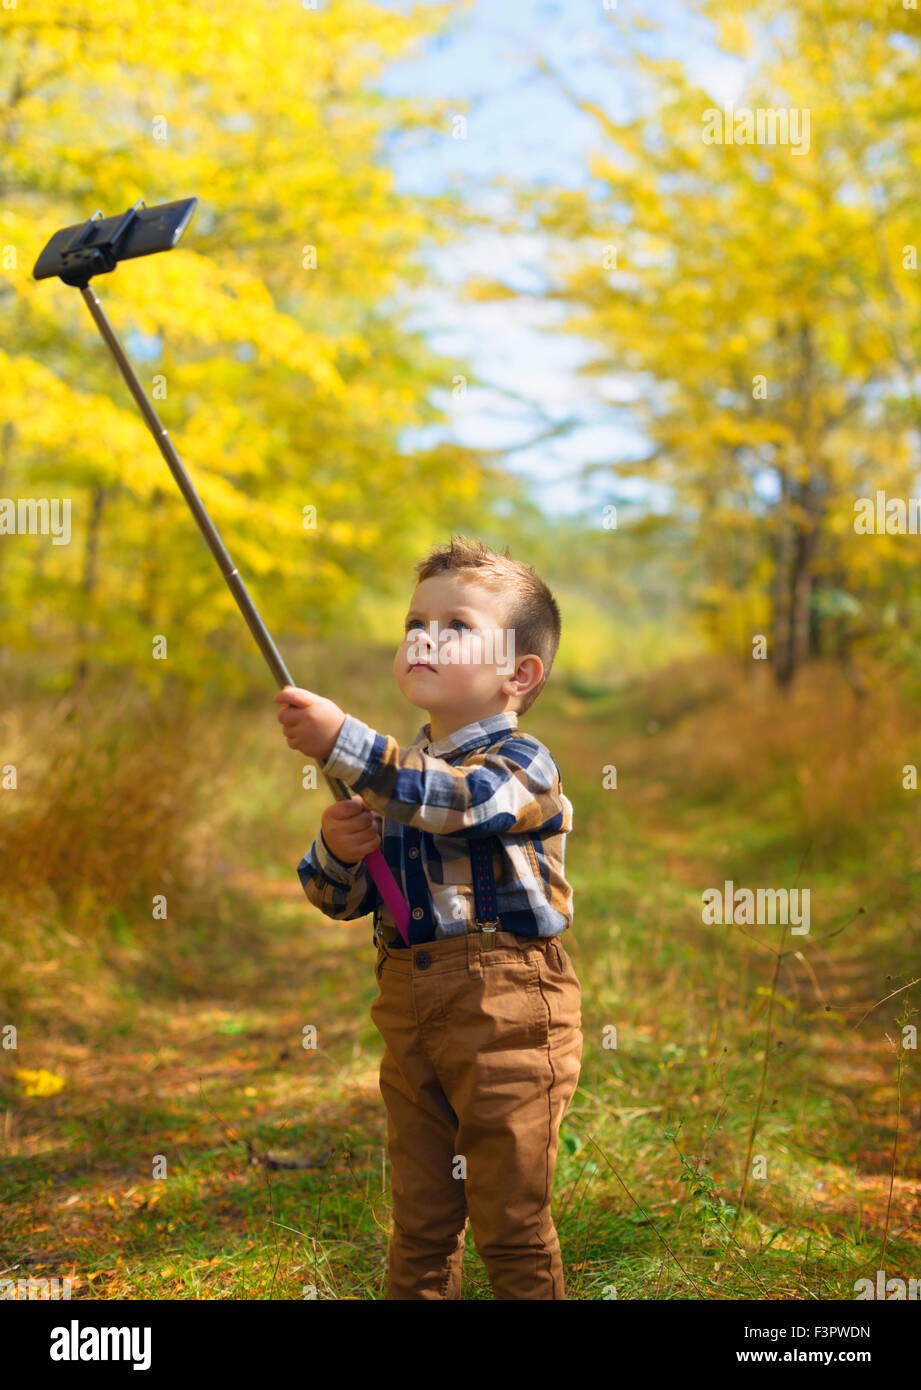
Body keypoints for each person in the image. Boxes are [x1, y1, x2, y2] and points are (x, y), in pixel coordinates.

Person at [275, 535, 582, 1300]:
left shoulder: (519, 763)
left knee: (509, 1215)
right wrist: (340, 848)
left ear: (519, 673)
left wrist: (347, 744)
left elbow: (465, 806)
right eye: (415, 622)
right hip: (408, 1004)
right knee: (419, 1214)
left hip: (508, 1007)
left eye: (455, 627)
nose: (423, 637)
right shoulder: (397, 779)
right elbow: (337, 899)